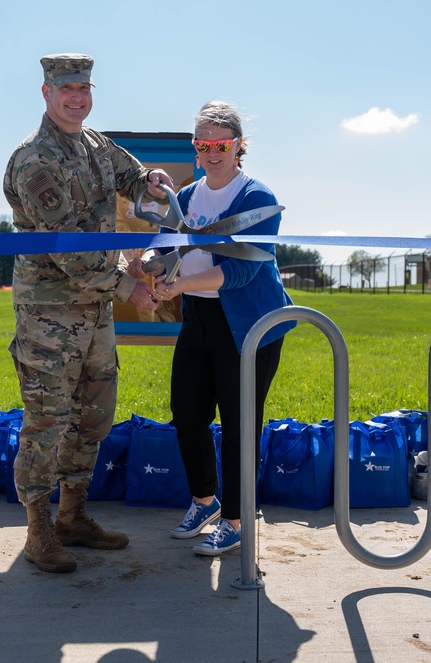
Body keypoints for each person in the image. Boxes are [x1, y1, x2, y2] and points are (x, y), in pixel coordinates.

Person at [3, 53, 173, 573]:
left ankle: (73, 517)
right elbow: (70, 251)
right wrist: (131, 288)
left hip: (94, 314)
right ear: (46, 93)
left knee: (92, 418)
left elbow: (129, 174)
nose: (77, 98)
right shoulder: (35, 161)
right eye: (66, 90)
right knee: (47, 422)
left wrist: (149, 179)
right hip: (50, 314)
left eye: (84, 88)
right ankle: (37, 533)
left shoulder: (95, 143)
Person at [149, 101, 295, 555]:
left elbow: (241, 273)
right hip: (199, 316)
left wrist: (179, 285)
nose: (211, 152)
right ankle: (204, 501)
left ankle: (235, 518)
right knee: (187, 416)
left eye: (221, 143)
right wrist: (149, 265)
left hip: (250, 323)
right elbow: (166, 248)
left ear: (237, 147)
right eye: (202, 143)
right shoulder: (188, 196)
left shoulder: (258, 198)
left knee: (238, 425)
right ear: (195, 148)